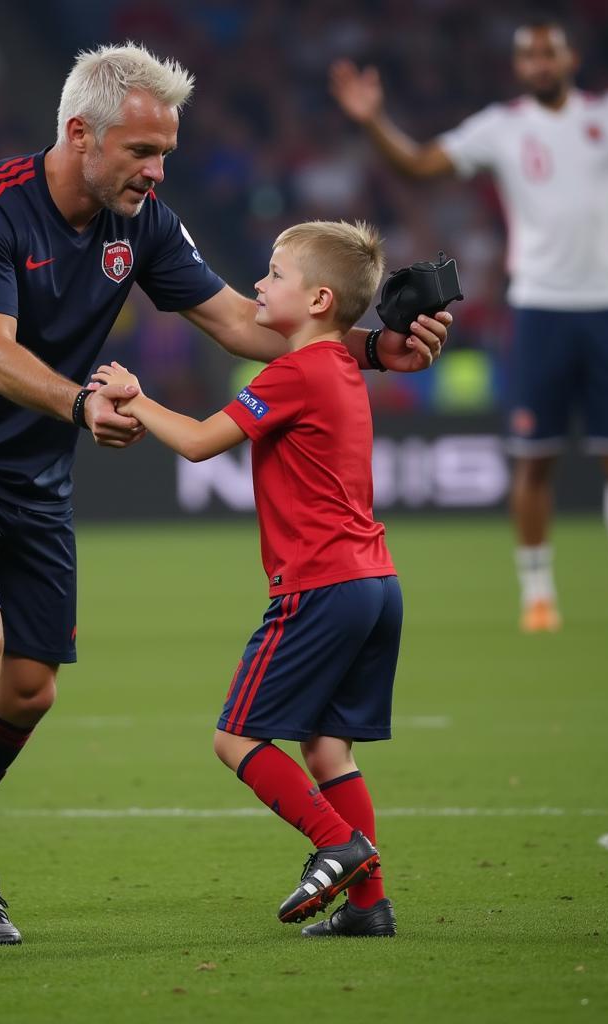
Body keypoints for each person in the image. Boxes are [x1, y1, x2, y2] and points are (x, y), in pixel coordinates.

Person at [0, 42, 449, 946]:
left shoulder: (138, 223)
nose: (158, 171)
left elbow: (239, 321)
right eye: (142, 152)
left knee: (29, 692)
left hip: (37, 476)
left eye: (166, 153)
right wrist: (79, 401)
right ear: (80, 135)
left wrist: (376, 348)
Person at [93, 219, 427, 938]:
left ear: (317, 301)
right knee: (328, 747)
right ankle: (369, 907)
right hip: (376, 583)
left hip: (319, 588)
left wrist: (133, 394)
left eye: (275, 274)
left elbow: (197, 443)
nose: (259, 284)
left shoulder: (294, 372)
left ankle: (337, 845)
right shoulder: (339, 365)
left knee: (237, 740)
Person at [330, 19, 608, 632]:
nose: (539, 63)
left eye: (548, 52)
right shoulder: (503, 126)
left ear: (570, 55)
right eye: (528, 55)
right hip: (538, 309)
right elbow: (419, 164)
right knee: (534, 458)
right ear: (518, 66)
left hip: (607, 307)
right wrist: (371, 121)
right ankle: (538, 596)